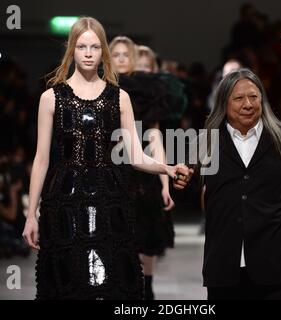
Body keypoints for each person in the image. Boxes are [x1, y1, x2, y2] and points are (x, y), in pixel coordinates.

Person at [22, 17, 191, 300]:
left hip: (109, 198)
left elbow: (135, 155)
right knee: (67, 281)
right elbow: (41, 159)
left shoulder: (119, 97)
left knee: (110, 281)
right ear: (72, 50)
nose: (88, 53)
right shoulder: (51, 98)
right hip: (64, 200)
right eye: (82, 46)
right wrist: (31, 214)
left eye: (95, 47)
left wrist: (168, 168)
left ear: (103, 52)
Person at [174, 68, 281, 300]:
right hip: (225, 267)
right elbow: (187, 195)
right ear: (223, 104)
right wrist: (182, 182)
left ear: (262, 100)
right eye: (238, 98)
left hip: (278, 265)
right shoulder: (205, 144)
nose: (248, 104)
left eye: (253, 97)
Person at [110, 37, 175, 299]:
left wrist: (164, 181)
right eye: (117, 54)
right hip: (110, 171)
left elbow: (154, 137)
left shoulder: (147, 90)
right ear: (109, 57)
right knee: (117, 234)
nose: (123, 59)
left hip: (142, 171)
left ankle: (146, 289)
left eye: (127, 54)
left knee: (146, 234)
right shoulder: (98, 88)